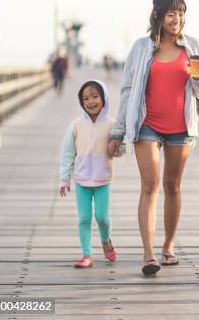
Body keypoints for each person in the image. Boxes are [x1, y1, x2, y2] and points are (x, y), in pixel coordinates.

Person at [107, 0, 199, 275]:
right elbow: (128, 89)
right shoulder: (141, 47)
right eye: (171, 13)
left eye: (181, 13)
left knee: (173, 185)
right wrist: (118, 131)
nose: (177, 19)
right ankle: (149, 253)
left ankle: (168, 246)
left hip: (181, 126)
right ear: (157, 16)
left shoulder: (194, 46)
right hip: (147, 124)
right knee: (150, 185)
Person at [59, 80, 120, 268]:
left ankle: (106, 241)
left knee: (102, 217)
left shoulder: (112, 124)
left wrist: (116, 147)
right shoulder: (76, 125)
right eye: (86, 98)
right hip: (82, 180)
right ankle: (87, 254)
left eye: (95, 96)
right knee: (84, 218)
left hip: (103, 179)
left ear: (104, 98)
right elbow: (67, 153)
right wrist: (64, 178)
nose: (91, 101)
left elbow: (122, 148)